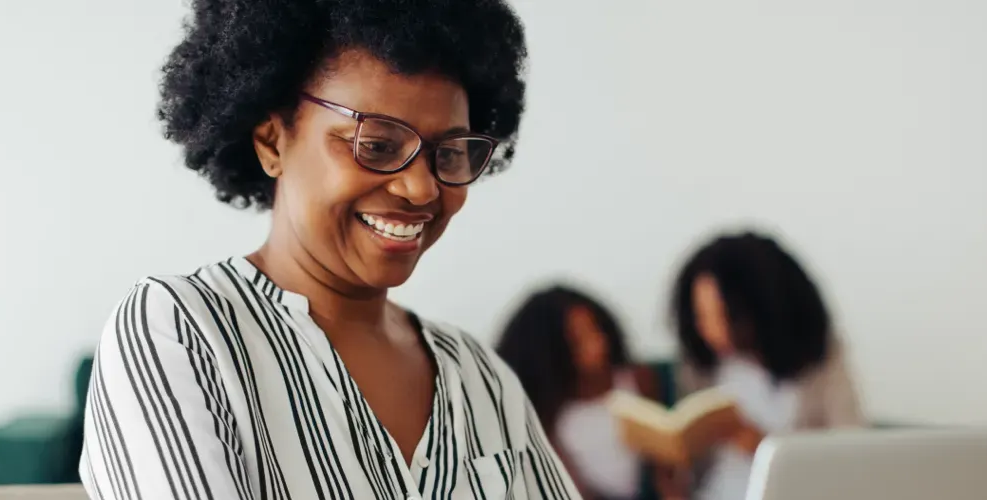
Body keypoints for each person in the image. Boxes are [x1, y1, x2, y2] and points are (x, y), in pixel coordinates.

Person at [77, 0, 579, 499]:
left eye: (447, 154)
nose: (422, 189)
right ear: (272, 142)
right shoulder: (181, 332)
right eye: (377, 145)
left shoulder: (479, 375)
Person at [663, 231, 864, 500]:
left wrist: (763, 446)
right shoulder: (700, 366)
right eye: (703, 316)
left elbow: (851, 455)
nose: (713, 331)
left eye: (725, 315)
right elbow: (693, 473)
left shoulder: (823, 362)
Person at [495, 285, 664, 500]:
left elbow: (660, 461)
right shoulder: (543, 413)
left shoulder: (638, 379)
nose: (598, 346)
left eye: (596, 330)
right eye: (579, 341)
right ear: (552, 353)